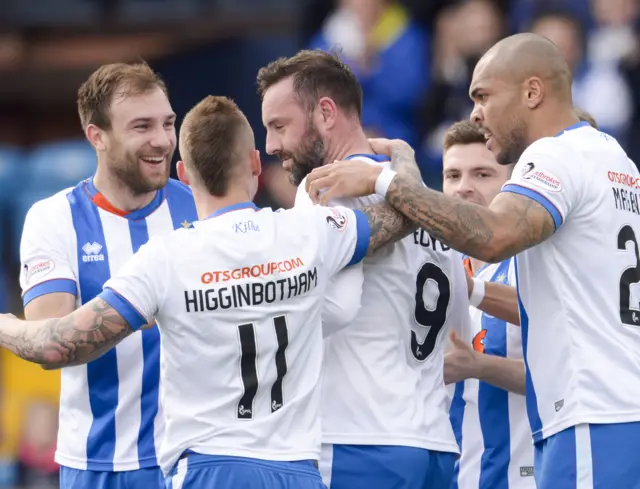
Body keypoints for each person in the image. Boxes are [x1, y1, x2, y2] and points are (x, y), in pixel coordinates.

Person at [1, 95, 412, 489]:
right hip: (297, 467)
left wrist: (5, 325)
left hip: (209, 468)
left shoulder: (165, 258)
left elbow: (58, 345)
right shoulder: (311, 231)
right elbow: (404, 215)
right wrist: (400, 165)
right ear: (255, 164)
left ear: (183, 173)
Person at [305, 32, 640, 489]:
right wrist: (474, 288)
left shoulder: (553, 155)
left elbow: (493, 235)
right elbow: (565, 296)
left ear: (532, 92)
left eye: (483, 96)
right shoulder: (614, 158)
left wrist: (384, 180)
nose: (475, 113)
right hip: (618, 409)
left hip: (591, 416)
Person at [258, 49, 466, 489]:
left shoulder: (324, 193)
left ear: (326, 113)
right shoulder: (430, 205)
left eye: (280, 126)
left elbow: (326, 309)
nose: (271, 146)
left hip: (356, 441)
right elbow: (457, 334)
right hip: (435, 445)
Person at [18, 62, 198, 489]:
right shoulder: (53, 217)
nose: (161, 141)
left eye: (168, 123)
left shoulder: (199, 207)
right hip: (100, 465)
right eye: (141, 126)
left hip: (194, 460)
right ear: (96, 137)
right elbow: (51, 341)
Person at [441, 120, 534, 489]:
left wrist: (479, 366)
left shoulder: (533, 265)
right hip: (445, 475)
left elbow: (567, 377)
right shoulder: (429, 268)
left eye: (482, 174)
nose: (463, 187)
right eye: (452, 175)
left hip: (525, 477)